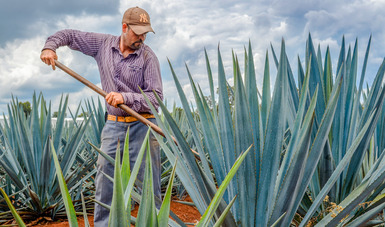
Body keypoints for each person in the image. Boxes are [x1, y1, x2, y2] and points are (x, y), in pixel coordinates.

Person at [40, 6, 162, 226]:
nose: (142, 38)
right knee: (105, 182)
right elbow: (69, 35)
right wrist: (50, 47)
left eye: (145, 33)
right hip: (113, 126)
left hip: (143, 127)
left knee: (148, 186)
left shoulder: (148, 57)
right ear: (124, 27)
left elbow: (156, 99)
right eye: (137, 32)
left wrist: (125, 97)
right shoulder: (103, 44)